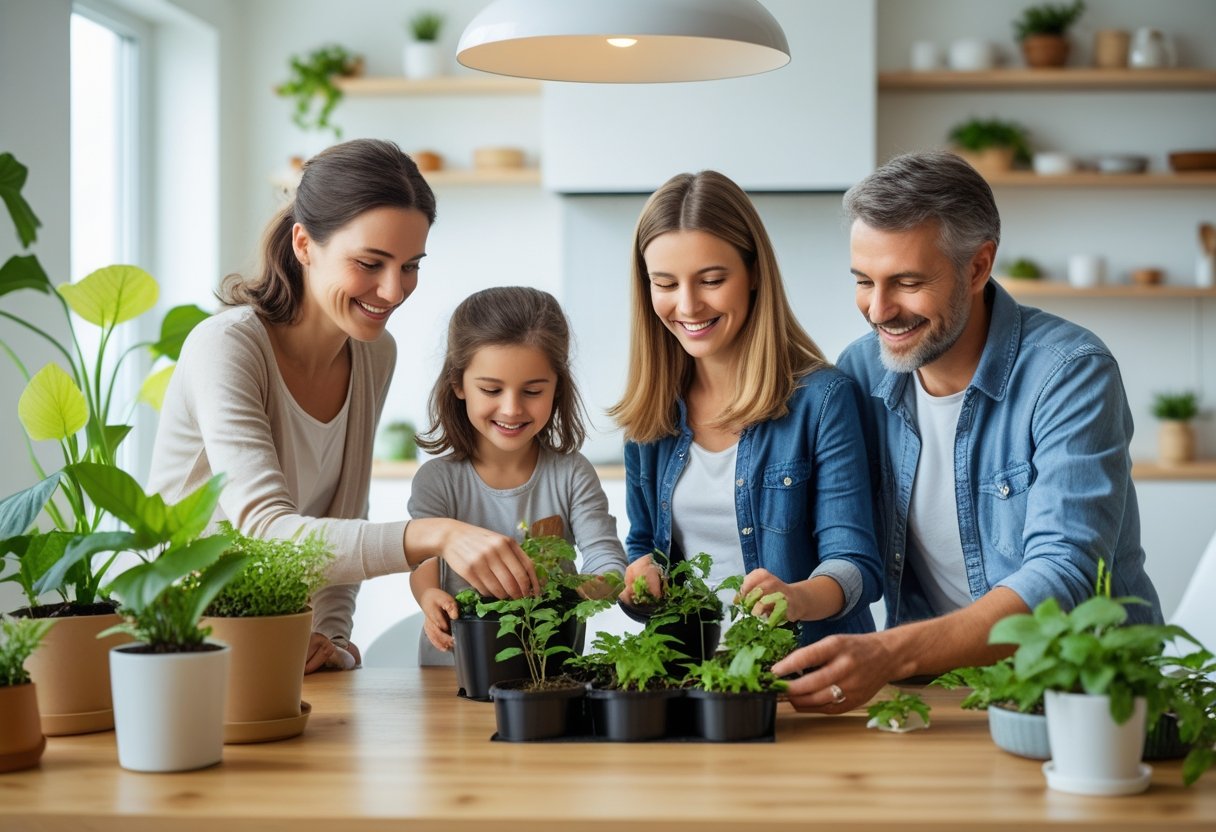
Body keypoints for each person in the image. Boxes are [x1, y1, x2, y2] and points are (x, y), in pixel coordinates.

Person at [772, 150, 1163, 711]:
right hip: (941, 694)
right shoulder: (860, 372)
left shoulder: (1070, 372)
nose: (879, 309)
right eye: (864, 281)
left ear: (978, 266)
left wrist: (889, 651)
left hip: (1087, 690)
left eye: (906, 282)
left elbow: (1061, 576)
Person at [147, 139, 539, 674]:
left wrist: (334, 638)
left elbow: (345, 513)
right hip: (178, 639)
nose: (393, 289)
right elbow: (265, 529)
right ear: (304, 244)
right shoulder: (228, 346)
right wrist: (437, 534)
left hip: (273, 637)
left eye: (410, 265)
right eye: (370, 263)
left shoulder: (374, 352)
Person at [611, 170, 882, 647]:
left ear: (754, 273)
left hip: (801, 673)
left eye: (712, 279)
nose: (689, 305)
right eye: (665, 284)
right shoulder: (649, 413)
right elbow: (643, 548)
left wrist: (795, 597)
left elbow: (856, 566)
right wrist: (639, 584)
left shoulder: (822, 399)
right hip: (687, 678)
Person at [407, 286, 627, 663]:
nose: (511, 409)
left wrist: (580, 590)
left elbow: (607, 560)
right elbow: (424, 563)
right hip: (455, 669)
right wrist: (429, 596)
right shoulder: (437, 480)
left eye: (533, 391)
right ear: (458, 384)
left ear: (557, 388)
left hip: (548, 669)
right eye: (491, 389)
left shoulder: (571, 474)